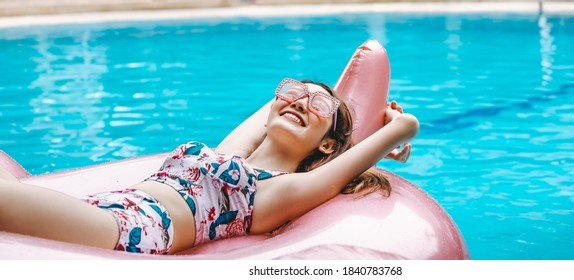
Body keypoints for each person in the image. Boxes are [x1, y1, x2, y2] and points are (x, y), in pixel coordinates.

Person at [0, 78, 419, 255]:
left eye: (319, 105)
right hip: (108, 206)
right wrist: (309, 98)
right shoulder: (227, 154)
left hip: (136, 230)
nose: (299, 102)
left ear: (327, 144)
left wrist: (399, 127)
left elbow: (338, 171)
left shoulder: (274, 192)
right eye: (292, 93)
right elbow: (278, 109)